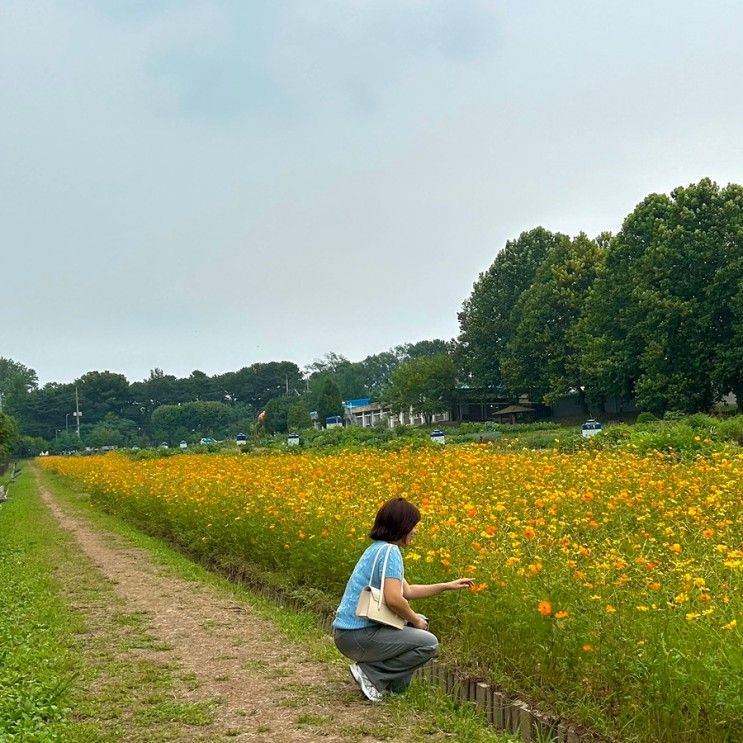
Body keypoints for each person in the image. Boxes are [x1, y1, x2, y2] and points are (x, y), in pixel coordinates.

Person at [333, 497, 474, 702]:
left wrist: (447, 586)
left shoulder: (377, 549)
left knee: (415, 626)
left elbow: (407, 591)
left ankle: (393, 688)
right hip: (357, 636)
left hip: (346, 635)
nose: (415, 531)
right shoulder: (391, 552)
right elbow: (394, 599)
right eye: (414, 526)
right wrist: (415, 620)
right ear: (403, 526)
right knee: (428, 643)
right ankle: (371, 675)